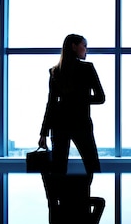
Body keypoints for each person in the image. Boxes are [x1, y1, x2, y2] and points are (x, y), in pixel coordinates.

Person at [39, 34, 105, 175]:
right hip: (81, 122)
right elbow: (100, 98)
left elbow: (51, 104)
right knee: (92, 165)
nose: (86, 49)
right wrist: (80, 99)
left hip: (59, 124)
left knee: (58, 169)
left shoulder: (55, 71)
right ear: (74, 46)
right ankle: (90, 195)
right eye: (84, 46)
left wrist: (43, 133)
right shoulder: (87, 68)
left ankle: (60, 197)